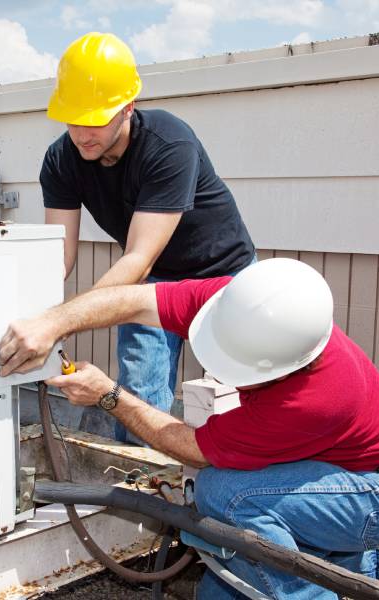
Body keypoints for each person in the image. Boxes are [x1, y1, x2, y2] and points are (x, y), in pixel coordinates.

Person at [0, 258, 379, 599]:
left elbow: (193, 448)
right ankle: (352, 568)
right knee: (220, 590)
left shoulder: (313, 399)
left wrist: (108, 395)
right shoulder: (240, 304)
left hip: (377, 495)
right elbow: (131, 299)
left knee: (225, 495)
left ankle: (324, 586)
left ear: (282, 369)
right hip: (334, 469)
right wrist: (54, 322)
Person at [41, 31, 255, 442]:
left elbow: (138, 256)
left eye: (98, 118)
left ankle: (234, 487)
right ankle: (141, 491)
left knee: (244, 391)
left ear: (127, 108)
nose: (84, 133)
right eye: (74, 119)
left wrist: (61, 322)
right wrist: (37, 315)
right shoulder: (61, 159)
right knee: (138, 394)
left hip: (224, 276)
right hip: (154, 280)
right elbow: (60, 255)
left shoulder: (169, 143)